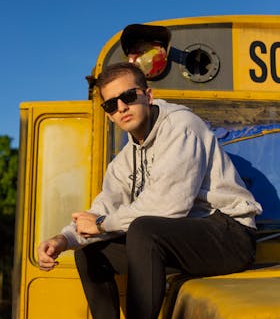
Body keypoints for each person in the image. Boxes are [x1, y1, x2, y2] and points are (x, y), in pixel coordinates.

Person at [38, 62, 262, 319]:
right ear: (109, 114)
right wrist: (63, 239)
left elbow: (168, 207)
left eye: (128, 96)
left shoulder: (182, 126)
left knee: (144, 230)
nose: (121, 107)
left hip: (230, 235)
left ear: (148, 95)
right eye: (111, 105)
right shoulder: (124, 160)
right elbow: (105, 208)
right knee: (90, 253)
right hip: (183, 240)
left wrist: (102, 225)